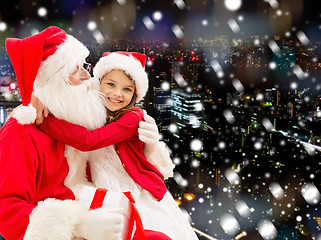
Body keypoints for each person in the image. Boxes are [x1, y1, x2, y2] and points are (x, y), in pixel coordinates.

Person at [0, 27, 173, 240]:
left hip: (91, 204)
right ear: (56, 79)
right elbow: (6, 211)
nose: (87, 76)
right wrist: (78, 226)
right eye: (76, 69)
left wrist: (152, 148)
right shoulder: (21, 131)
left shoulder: (74, 118)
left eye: (85, 67)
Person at [37, 51, 199, 240]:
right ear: (99, 84)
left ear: (135, 94)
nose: (117, 94)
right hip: (106, 191)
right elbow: (68, 93)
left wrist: (45, 121)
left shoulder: (133, 117)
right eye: (111, 84)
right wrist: (41, 98)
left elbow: (90, 141)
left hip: (136, 192)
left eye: (127, 89)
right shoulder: (94, 109)